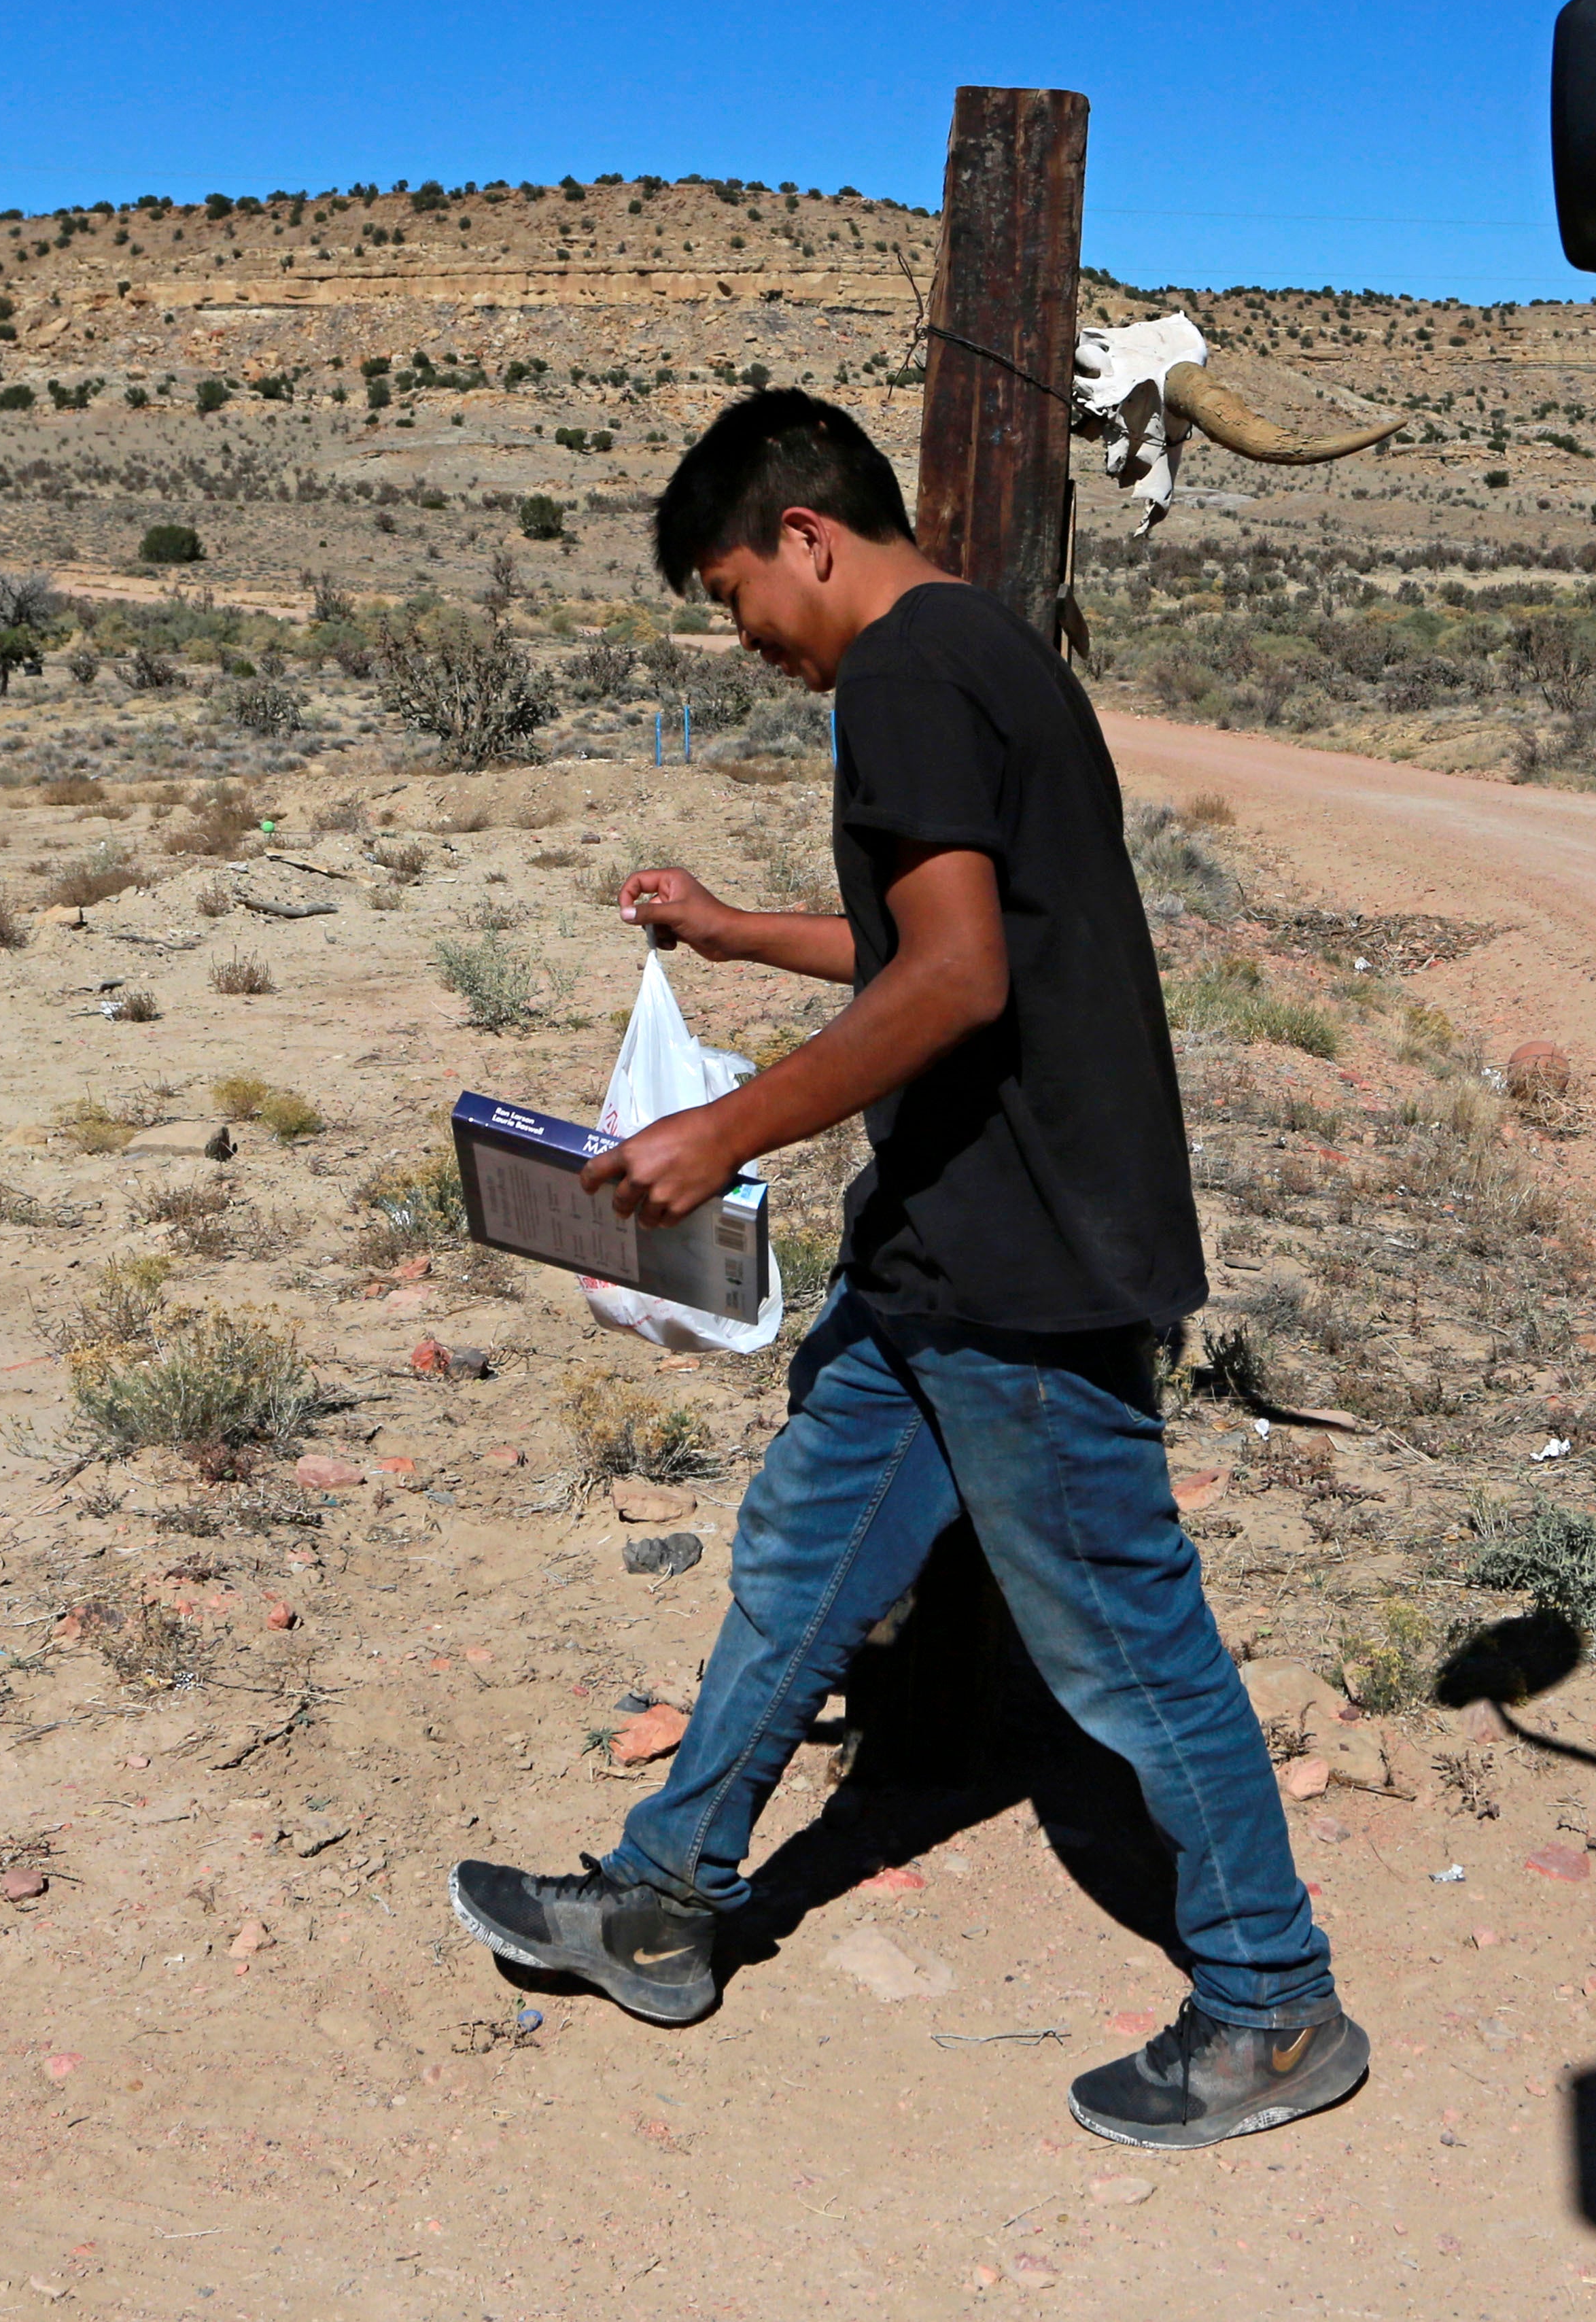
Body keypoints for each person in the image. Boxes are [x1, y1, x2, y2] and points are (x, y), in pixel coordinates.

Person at [448, 388, 1366, 2151]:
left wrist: (728, 1134)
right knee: (802, 1565)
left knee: (1123, 1642)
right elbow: (915, 939)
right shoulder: (979, 656)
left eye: (734, 597)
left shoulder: (905, 674)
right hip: (944, 1254)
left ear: (807, 535)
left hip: (1027, 1263)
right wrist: (727, 929)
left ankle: (1272, 2006)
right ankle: (664, 1903)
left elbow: (952, 984)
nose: (743, 636)